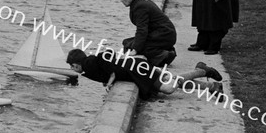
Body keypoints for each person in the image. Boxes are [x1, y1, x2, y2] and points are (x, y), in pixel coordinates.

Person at [66, 49, 223, 100]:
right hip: (136, 66)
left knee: (168, 88)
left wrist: (110, 81)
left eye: (73, 67)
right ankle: (210, 85)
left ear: (77, 64)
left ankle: (201, 71)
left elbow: (105, 59)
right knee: (168, 79)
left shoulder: (89, 63)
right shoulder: (89, 64)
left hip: (137, 70)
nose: (74, 70)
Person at [118, 0, 177, 67]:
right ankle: (165, 52)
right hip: (162, 34)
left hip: (164, 35)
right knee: (127, 43)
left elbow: (142, 30)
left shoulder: (139, 6)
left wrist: (136, 49)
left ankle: (166, 55)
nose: (121, 0)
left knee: (137, 48)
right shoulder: (139, 2)